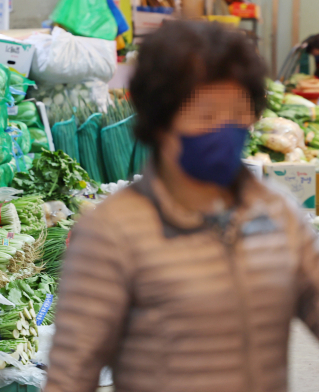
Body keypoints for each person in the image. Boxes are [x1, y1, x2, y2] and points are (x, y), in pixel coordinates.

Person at [44, 21, 319, 392]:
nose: (225, 128)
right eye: (206, 115)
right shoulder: (113, 232)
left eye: (238, 112)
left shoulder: (275, 210)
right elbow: (72, 372)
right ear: (159, 120)